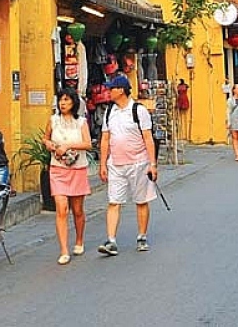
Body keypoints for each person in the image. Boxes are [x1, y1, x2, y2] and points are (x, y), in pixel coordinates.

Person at [98, 75, 158, 256]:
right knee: (113, 201)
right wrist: (102, 164)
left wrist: (152, 164)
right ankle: (111, 240)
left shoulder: (139, 111)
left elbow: (148, 138)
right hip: (116, 164)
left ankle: (141, 236)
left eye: (112, 88)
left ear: (121, 90)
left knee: (141, 201)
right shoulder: (109, 112)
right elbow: (105, 139)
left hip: (139, 163)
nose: (108, 91)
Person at [42, 87, 93, 265]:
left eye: (66, 100)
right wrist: (49, 145)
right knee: (61, 209)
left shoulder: (81, 123)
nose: (63, 103)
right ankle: (64, 249)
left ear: (73, 102)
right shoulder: (53, 120)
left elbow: (88, 144)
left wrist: (69, 145)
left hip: (77, 168)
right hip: (58, 168)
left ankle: (79, 240)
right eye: (60, 100)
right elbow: (45, 138)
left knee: (77, 210)